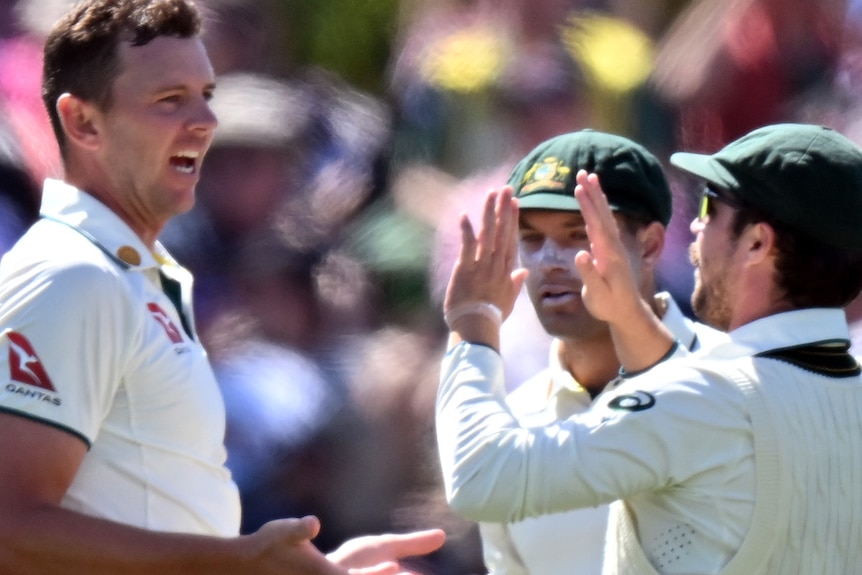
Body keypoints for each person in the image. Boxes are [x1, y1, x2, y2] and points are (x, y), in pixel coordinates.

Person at [0, 1, 444, 573]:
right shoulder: (70, 275)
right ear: (84, 122)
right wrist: (241, 562)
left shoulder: (140, 272)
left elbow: (153, 521)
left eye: (206, 96)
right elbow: (12, 529)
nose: (206, 123)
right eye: (169, 100)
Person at [436, 122, 862, 574]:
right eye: (532, 238)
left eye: (710, 208)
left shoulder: (706, 396)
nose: (696, 226)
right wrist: (629, 316)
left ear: (757, 242)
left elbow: (481, 476)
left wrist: (472, 321)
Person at [475, 129, 723, 575]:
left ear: (648, 246)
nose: (550, 259)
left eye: (577, 235)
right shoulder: (509, 424)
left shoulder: (736, 381)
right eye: (531, 239)